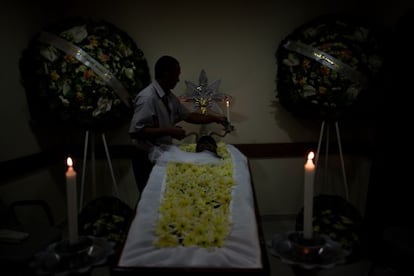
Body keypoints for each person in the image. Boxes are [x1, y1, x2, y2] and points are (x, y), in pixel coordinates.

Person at [129, 55, 228, 194]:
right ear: (166, 74)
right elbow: (135, 132)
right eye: (176, 75)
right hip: (145, 158)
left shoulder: (169, 97)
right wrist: (169, 130)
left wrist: (215, 118)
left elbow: (188, 116)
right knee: (149, 199)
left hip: (161, 155)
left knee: (162, 196)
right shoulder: (148, 97)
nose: (178, 79)